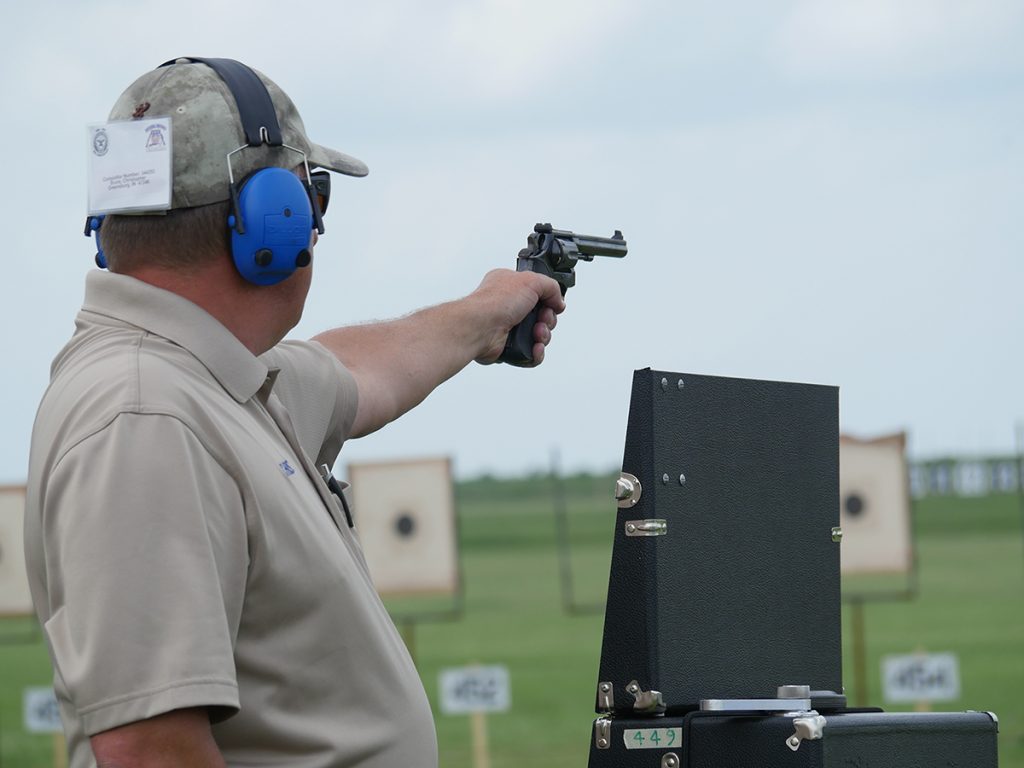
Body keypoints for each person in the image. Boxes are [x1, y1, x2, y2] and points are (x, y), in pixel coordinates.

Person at [24, 57, 564, 768]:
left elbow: (351, 369)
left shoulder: (209, 382)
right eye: (312, 199)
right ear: (268, 221)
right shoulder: (147, 419)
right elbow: (151, 750)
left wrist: (483, 315)